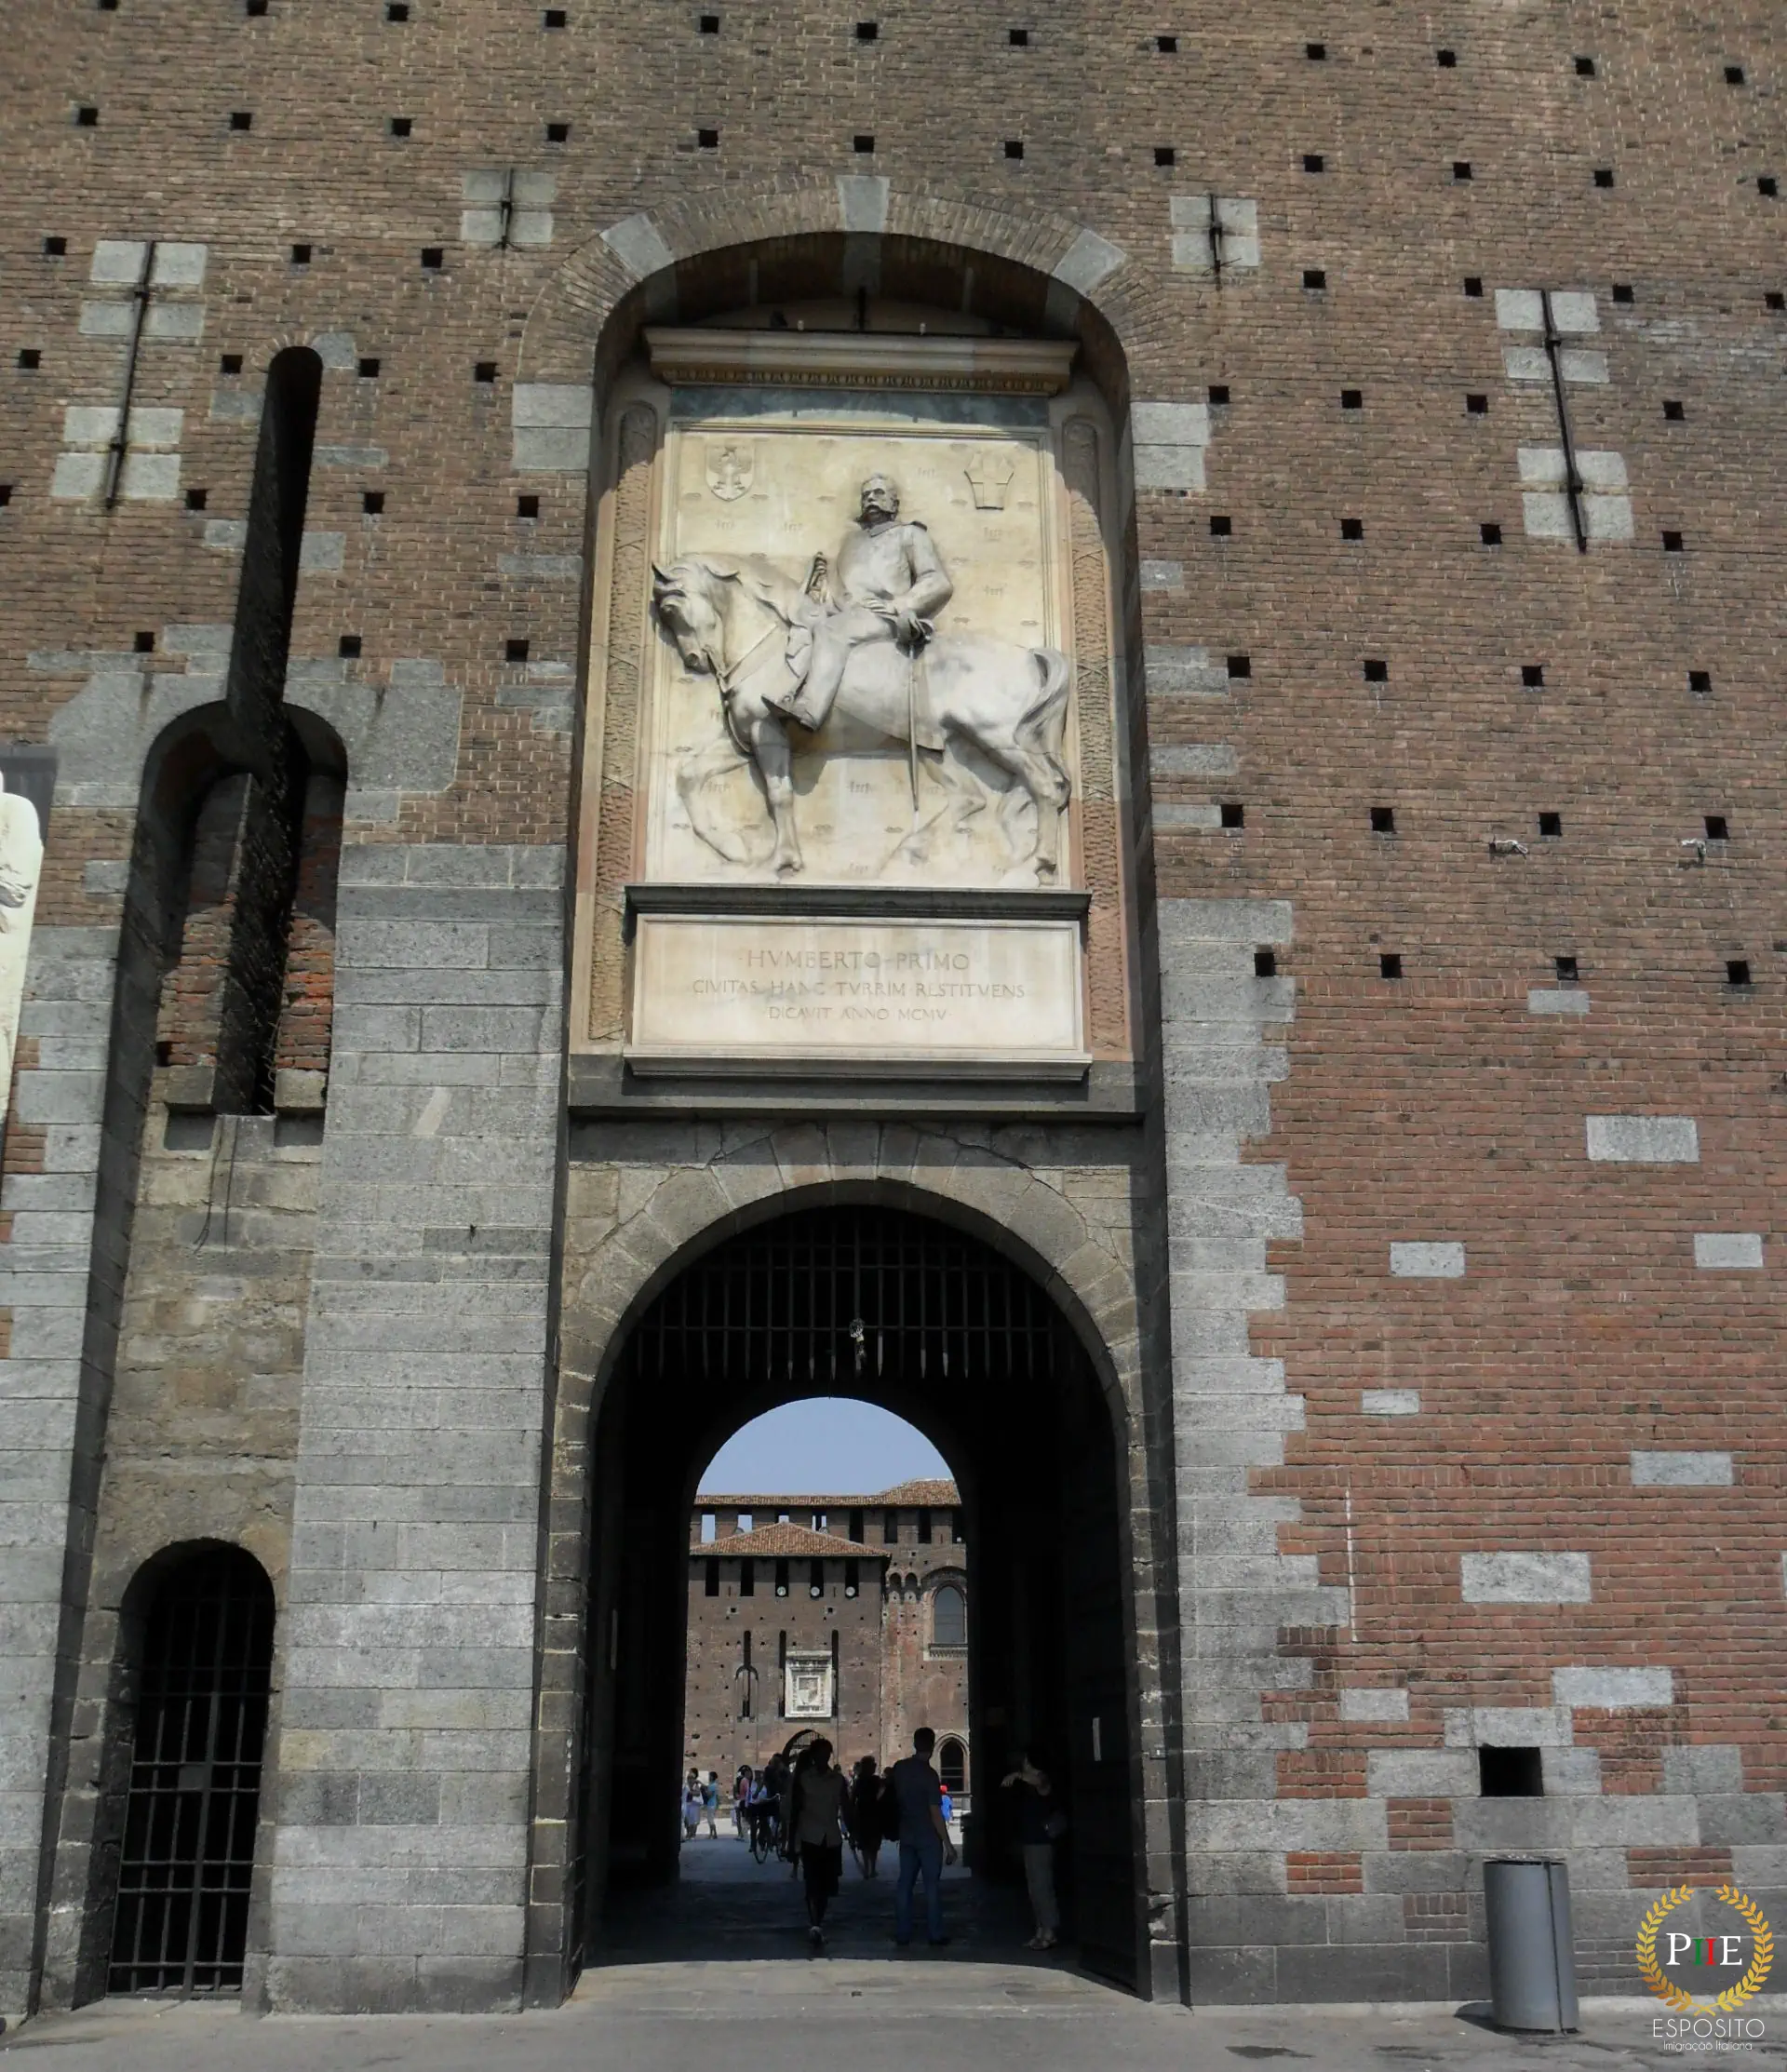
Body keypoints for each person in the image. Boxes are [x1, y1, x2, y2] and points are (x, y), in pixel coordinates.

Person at [773, 473, 954, 733]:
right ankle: (788, 691)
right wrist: (820, 583)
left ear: (894, 503)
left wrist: (901, 606)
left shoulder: (910, 534)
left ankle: (810, 710)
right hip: (849, 615)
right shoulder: (851, 542)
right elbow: (842, 592)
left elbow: (937, 582)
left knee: (830, 631)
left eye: (879, 493)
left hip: (885, 615)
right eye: (866, 495)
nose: (871, 498)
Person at [888, 1727, 956, 1947]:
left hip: (907, 1834)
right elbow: (935, 1813)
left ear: (915, 1743)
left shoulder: (900, 1769)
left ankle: (902, 1933)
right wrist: (948, 1844)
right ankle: (935, 1934)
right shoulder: (929, 1775)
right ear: (933, 1745)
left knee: (904, 1885)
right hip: (928, 1837)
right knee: (931, 1887)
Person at [785, 1737, 848, 1950]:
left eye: (826, 1755)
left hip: (830, 1838)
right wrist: (790, 1841)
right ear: (814, 1756)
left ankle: (817, 1920)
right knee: (812, 1881)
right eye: (819, 1755)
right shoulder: (804, 1779)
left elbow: (845, 1808)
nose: (823, 1759)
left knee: (827, 1884)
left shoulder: (837, 1780)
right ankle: (815, 1924)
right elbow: (795, 1810)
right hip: (810, 1836)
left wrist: (853, 1832)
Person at [1001, 1747, 1060, 1950]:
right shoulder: (1027, 1784)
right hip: (1030, 1841)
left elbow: (1040, 1782)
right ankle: (1040, 1930)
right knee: (1034, 1889)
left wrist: (1018, 1775)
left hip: (1041, 1843)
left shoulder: (1042, 1780)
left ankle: (1050, 1931)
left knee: (1043, 1887)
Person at [849, 1755, 886, 1878]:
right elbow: (882, 1794)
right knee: (873, 1844)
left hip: (862, 1814)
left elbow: (853, 1798)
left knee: (865, 1843)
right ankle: (872, 1868)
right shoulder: (876, 1780)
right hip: (874, 1814)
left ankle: (867, 1868)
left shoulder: (859, 1781)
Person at [732, 1765, 754, 1840]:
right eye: (749, 1773)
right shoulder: (746, 1781)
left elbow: (736, 1794)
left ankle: (740, 1834)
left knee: (741, 1819)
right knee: (746, 1818)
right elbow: (748, 1792)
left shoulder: (740, 1781)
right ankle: (745, 1835)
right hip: (745, 1801)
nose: (750, 1775)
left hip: (740, 1801)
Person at [680, 1769, 702, 1842]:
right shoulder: (686, 1785)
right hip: (687, 1804)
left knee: (693, 1820)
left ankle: (692, 1834)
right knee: (687, 1820)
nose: (690, 1779)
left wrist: (690, 1792)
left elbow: (698, 1793)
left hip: (694, 1804)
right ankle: (688, 1832)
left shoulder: (695, 1785)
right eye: (689, 1778)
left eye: (691, 1778)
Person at [702, 1770, 720, 1838]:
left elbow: (710, 1795)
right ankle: (712, 1834)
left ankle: (714, 1834)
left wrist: (705, 1791)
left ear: (712, 1777)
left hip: (712, 1804)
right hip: (711, 1804)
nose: (708, 1777)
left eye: (709, 1776)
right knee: (710, 1820)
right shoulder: (712, 1785)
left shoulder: (713, 1785)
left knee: (711, 1820)